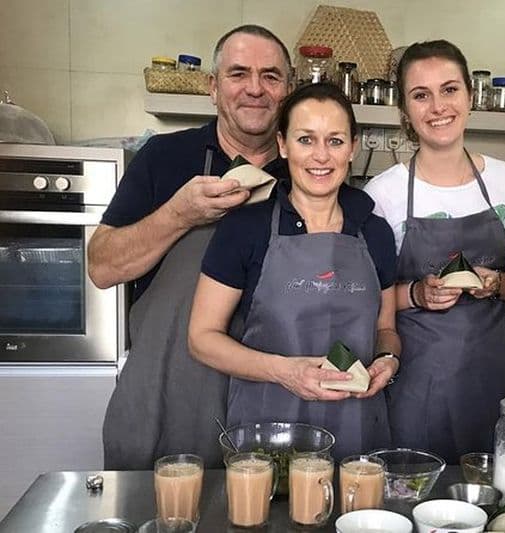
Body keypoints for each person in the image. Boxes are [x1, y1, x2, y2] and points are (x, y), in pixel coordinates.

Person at [88, 24, 293, 469]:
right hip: (167, 400)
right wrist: (179, 214)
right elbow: (101, 266)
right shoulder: (163, 157)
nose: (255, 89)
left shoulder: (308, 172)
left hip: (270, 405)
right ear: (212, 88)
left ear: (288, 89)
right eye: (238, 74)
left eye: (271, 76)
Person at [188, 83, 400, 460]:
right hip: (268, 432)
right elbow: (202, 338)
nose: (321, 156)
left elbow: (386, 329)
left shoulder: (375, 232)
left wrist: (388, 360)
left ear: (353, 147)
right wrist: (284, 371)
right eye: (306, 139)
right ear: (283, 145)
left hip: (359, 432)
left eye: (335, 141)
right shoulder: (245, 229)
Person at [364, 40, 505, 464]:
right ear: (404, 110)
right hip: (414, 383)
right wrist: (418, 294)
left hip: (494, 379)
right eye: (421, 95)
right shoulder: (382, 194)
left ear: (470, 97)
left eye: (450, 90)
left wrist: (495, 283)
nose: (438, 106)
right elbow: (367, 300)